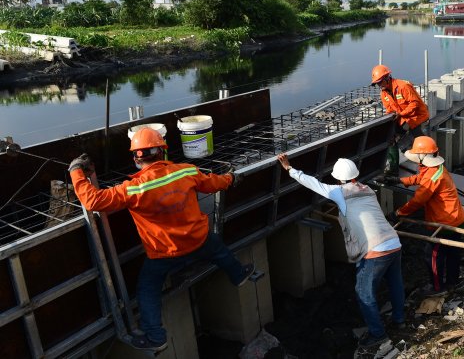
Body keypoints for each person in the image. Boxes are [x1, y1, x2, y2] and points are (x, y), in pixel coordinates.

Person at [68, 127, 255, 353]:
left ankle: (157, 337)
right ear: (162, 152)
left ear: (136, 157)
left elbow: (93, 201)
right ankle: (238, 275)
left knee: (148, 288)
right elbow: (213, 183)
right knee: (220, 250)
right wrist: (231, 178)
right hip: (199, 240)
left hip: (165, 254)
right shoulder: (185, 172)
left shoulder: (134, 188)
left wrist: (76, 171)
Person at [277, 153, 405, 349]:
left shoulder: (338, 192)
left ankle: (378, 334)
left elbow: (312, 183)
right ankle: (399, 319)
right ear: (355, 175)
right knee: (395, 283)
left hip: (375, 250)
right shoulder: (368, 189)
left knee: (363, 293)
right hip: (393, 242)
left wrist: (289, 169)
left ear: (338, 178)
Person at [382, 136, 464, 295]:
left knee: (433, 255)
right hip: (456, 218)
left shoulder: (433, 177)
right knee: (452, 253)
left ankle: (436, 287)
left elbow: (418, 201)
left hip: (443, 223)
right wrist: (399, 180)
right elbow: (421, 178)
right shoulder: (437, 168)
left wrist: (398, 213)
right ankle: (452, 282)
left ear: (422, 157)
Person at [371, 64, 430, 175]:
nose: (379, 85)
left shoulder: (403, 86)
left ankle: (430, 168)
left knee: (424, 144)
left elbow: (415, 104)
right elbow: (390, 110)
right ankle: (393, 170)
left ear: (387, 78)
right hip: (404, 119)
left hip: (418, 118)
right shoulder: (384, 94)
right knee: (391, 139)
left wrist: (401, 114)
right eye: (377, 84)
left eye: (380, 82)